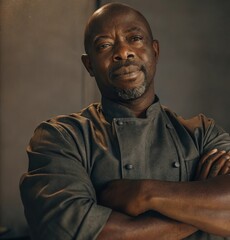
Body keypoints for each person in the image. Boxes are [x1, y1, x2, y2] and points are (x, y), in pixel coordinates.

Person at [20, 3, 230, 240]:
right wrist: (203, 213)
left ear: (155, 51)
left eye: (135, 38)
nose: (123, 52)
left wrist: (144, 193)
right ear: (89, 65)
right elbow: (71, 232)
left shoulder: (202, 133)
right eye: (105, 45)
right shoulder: (61, 138)